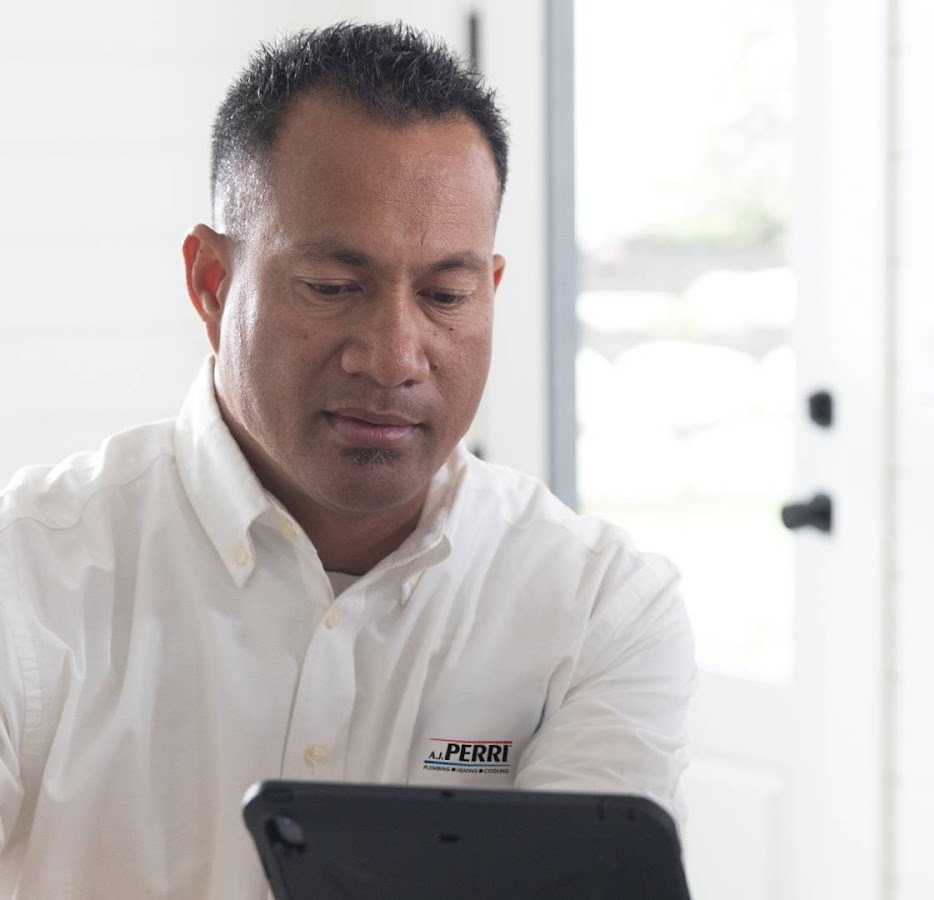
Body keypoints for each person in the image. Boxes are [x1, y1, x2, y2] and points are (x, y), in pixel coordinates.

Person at [0, 22, 695, 898]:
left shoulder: (599, 612)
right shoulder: (29, 572)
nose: (396, 355)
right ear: (211, 285)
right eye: (333, 288)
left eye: (446, 294)